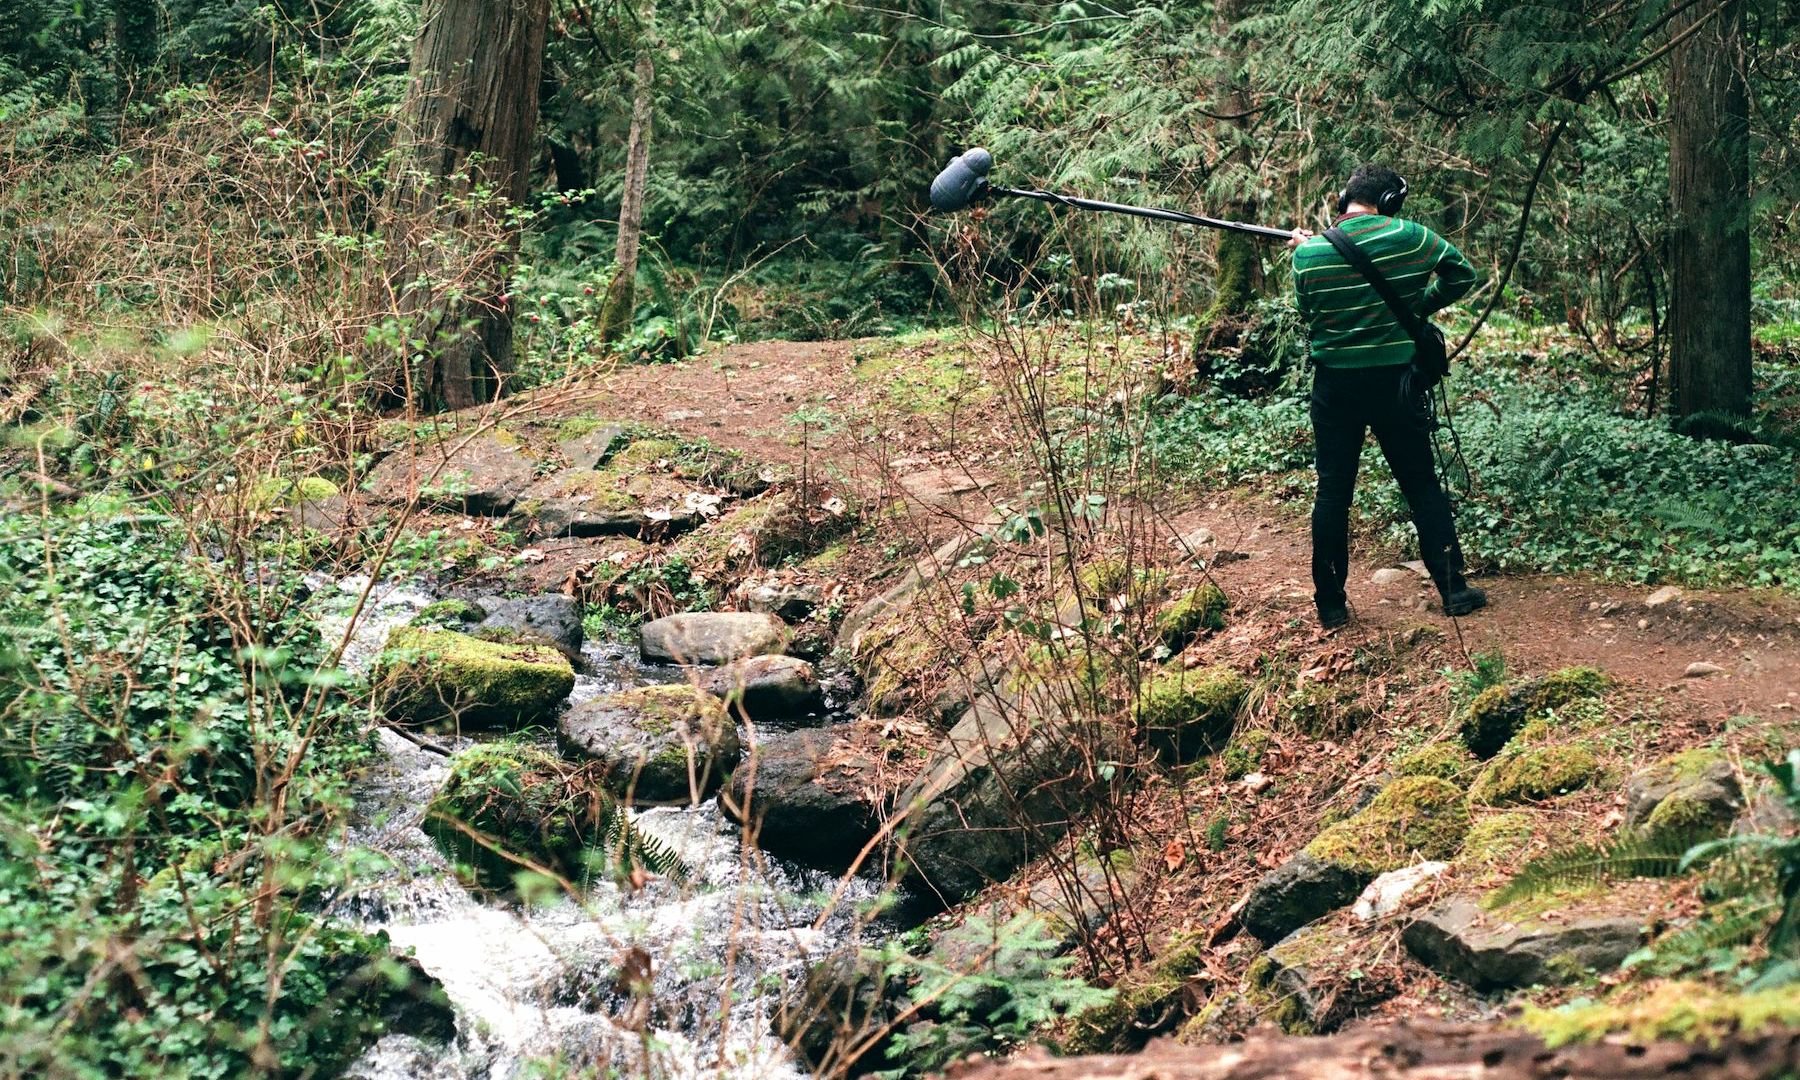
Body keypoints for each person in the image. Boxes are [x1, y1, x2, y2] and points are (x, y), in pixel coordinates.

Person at [1286, 163, 1485, 629]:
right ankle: (1454, 590)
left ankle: (1331, 606)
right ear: (1390, 202)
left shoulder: (1309, 255)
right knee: (1420, 484)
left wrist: (1306, 249)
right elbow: (1462, 275)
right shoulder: (1413, 236)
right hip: (1397, 383)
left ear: (1344, 199)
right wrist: (1417, 303)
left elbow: (1308, 311)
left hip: (1335, 386)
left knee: (1333, 491)